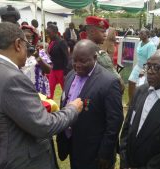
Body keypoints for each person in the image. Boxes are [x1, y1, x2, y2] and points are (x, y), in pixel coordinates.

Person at [0, 22, 83, 169]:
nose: (28, 50)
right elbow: (44, 125)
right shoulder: (12, 78)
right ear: (18, 44)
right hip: (22, 160)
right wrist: (72, 109)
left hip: (0, 154)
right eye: (26, 44)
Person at [57, 40, 123, 169]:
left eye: (83, 61)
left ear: (95, 58)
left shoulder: (109, 82)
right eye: (74, 60)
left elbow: (115, 122)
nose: (77, 65)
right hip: (73, 145)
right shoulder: (71, 75)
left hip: (94, 151)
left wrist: (105, 153)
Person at [85, 16, 123, 91]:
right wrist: (120, 82)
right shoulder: (91, 51)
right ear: (92, 32)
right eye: (102, 32)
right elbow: (111, 73)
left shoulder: (88, 48)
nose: (105, 34)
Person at [20, 25, 52, 97]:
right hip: (23, 91)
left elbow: (48, 70)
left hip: (40, 92)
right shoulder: (17, 54)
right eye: (26, 37)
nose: (29, 40)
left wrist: (37, 57)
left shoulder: (40, 52)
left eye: (31, 37)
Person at [128, 29, 156, 104]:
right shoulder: (140, 42)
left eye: (142, 33)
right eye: (139, 33)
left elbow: (151, 60)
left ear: (147, 35)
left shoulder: (151, 45)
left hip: (146, 68)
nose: (139, 34)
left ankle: (138, 104)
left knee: (141, 87)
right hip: (138, 66)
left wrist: (144, 70)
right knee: (131, 81)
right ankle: (131, 102)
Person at [46, 24, 69, 99]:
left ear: (55, 32)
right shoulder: (52, 42)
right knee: (51, 87)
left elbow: (66, 57)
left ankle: (65, 104)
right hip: (54, 69)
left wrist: (65, 72)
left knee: (64, 90)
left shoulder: (62, 42)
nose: (48, 35)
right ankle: (51, 105)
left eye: (49, 33)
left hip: (61, 70)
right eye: (47, 33)